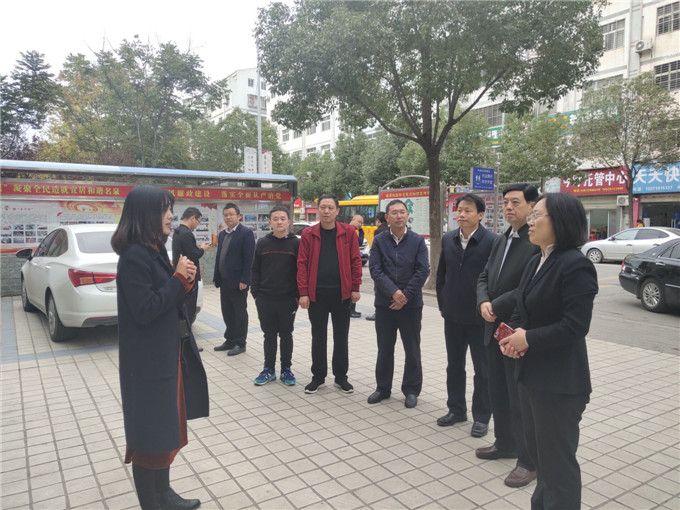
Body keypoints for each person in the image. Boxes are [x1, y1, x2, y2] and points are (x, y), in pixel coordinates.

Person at [112, 185, 208, 510]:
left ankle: (164, 493)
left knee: (163, 430)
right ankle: (152, 502)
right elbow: (145, 310)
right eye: (166, 209)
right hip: (147, 365)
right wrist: (178, 280)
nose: (171, 216)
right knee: (149, 436)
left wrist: (185, 281)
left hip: (164, 357)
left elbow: (166, 299)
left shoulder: (152, 250)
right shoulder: (134, 257)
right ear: (146, 214)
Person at [499, 192, 598, 509]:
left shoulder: (576, 265)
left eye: (537, 215)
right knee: (541, 459)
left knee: (557, 466)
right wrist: (512, 337)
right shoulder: (536, 260)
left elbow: (575, 326)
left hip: (559, 384)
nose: (530, 221)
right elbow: (521, 309)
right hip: (531, 377)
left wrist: (528, 339)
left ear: (560, 221)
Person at [475, 183, 539, 488]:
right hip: (493, 327)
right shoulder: (502, 238)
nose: (509, 208)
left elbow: (528, 287)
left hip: (517, 329)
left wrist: (496, 304)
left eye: (516, 202)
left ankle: (528, 461)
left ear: (532, 206)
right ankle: (505, 442)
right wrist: (483, 301)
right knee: (497, 390)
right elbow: (484, 275)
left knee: (519, 398)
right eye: (505, 203)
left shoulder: (535, 241)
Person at [436, 193, 496, 437]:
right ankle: (456, 409)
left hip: (480, 318)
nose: (461, 214)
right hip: (452, 316)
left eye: (467, 210)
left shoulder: (492, 241)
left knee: (483, 370)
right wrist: (442, 303)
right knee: (454, 366)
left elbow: (494, 279)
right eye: (459, 210)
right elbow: (441, 275)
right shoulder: (448, 239)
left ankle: (481, 417)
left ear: (480, 215)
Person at [297, 194, 362, 394]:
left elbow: (355, 261)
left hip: (342, 294)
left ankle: (341, 377)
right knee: (318, 336)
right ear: (318, 209)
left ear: (337, 211)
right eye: (323, 207)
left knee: (341, 336)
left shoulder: (348, 232)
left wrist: (355, 287)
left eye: (330, 208)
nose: (326, 211)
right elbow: (302, 264)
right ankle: (318, 377)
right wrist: (303, 293)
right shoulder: (308, 234)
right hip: (316, 295)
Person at [367, 199, 429, 408]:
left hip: (411, 305)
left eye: (402, 212)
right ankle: (382, 388)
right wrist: (394, 292)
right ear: (387, 217)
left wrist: (405, 296)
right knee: (384, 347)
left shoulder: (417, 241)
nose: (399, 216)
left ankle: (411, 390)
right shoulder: (379, 240)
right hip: (385, 304)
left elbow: (422, 270)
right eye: (394, 212)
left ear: (407, 215)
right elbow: (375, 270)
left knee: (412, 349)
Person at [250, 206, 300, 386]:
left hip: (288, 299)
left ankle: (286, 369)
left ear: (288, 221)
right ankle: (268, 369)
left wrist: (298, 295)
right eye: (275, 219)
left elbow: (301, 270)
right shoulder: (262, 243)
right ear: (270, 222)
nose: (279, 222)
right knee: (269, 335)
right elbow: (255, 270)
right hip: (265, 298)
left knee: (286, 335)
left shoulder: (296, 244)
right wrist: (255, 293)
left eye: (282, 218)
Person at [213, 203, 255, 356]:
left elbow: (249, 259)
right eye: (226, 215)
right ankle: (229, 340)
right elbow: (219, 257)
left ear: (239, 216)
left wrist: (245, 279)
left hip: (238, 282)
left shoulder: (246, 233)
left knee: (239, 313)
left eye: (231, 214)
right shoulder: (222, 234)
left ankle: (240, 343)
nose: (228, 217)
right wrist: (216, 277)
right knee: (227, 312)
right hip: (225, 280)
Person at [172, 207, 211, 325]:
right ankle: (186, 333)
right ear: (193, 218)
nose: (198, 225)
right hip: (189, 277)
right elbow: (193, 255)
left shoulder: (178, 231)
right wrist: (203, 249)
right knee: (189, 309)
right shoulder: (186, 233)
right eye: (198, 221)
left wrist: (197, 248)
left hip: (182, 276)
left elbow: (187, 251)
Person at [365, 211, 388, 322]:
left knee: (378, 290)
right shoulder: (389, 229)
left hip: (380, 266)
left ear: (378, 221)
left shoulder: (378, 231)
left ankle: (378, 312)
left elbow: (376, 250)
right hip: (388, 267)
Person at [349, 214, 365, 318]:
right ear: (353, 220)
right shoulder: (350, 231)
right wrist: (361, 232)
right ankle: (351, 310)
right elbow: (359, 242)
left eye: (362, 223)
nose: (360, 224)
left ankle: (352, 309)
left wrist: (361, 231)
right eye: (359, 222)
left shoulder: (353, 231)